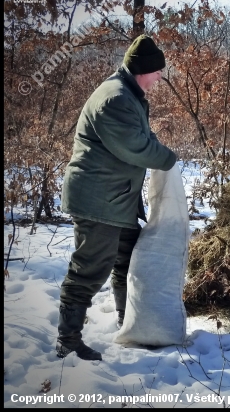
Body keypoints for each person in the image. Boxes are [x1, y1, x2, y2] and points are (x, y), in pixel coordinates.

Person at [56, 35, 177, 361]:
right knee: (89, 270)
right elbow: (134, 146)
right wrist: (169, 159)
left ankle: (131, 325)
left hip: (114, 199)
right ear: (143, 70)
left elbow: (140, 138)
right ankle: (68, 341)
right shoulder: (116, 99)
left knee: (128, 259)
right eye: (158, 71)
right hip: (99, 202)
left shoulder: (128, 94)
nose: (160, 77)